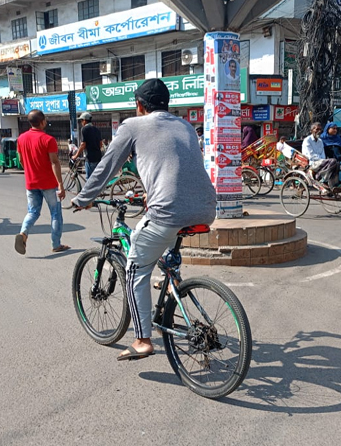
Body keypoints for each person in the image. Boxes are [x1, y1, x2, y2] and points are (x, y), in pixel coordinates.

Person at [72, 79, 216, 361]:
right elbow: (176, 165)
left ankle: (141, 340)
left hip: (168, 211)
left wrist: (83, 197)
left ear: (139, 105)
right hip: (206, 208)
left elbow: (107, 165)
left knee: (135, 270)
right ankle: (171, 289)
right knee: (165, 247)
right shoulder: (185, 125)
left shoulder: (132, 126)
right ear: (168, 104)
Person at [14, 110, 69, 256]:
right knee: (56, 214)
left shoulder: (21, 139)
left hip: (31, 183)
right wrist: (61, 185)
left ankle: (23, 233)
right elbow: (55, 162)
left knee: (32, 212)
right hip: (49, 184)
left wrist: (31, 172)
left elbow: (20, 160)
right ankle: (56, 244)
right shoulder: (48, 139)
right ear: (43, 121)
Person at [71, 112, 102, 179]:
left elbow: (83, 144)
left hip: (90, 158)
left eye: (81, 120)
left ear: (84, 120)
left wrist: (76, 156)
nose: (81, 122)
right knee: (97, 178)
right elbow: (100, 144)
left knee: (89, 179)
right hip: (98, 157)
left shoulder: (85, 129)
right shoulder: (96, 129)